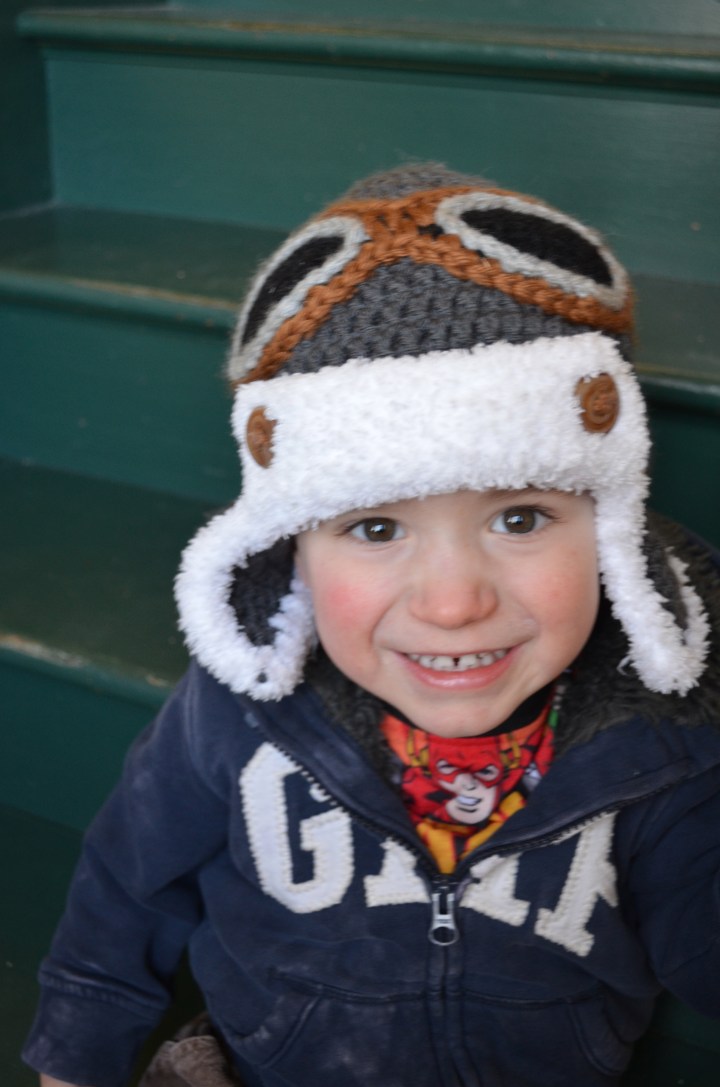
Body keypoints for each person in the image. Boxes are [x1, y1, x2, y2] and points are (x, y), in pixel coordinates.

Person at [24, 164, 720, 1087]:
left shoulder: (661, 744)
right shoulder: (238, 711)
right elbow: (125, 887)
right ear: (289, 553)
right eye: (375, 527)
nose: (452, 601)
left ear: (612, 537)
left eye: (519, 517)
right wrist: (75, 1059)